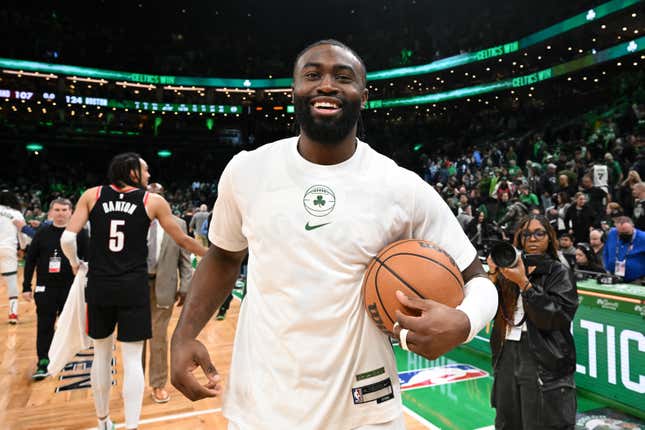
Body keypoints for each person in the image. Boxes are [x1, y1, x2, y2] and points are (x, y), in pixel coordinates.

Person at [170, 39, 498, 430]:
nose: (326, 85)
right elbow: (223, 256)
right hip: (262, 407)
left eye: (343, 77)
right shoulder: (247, 171)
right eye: (313, 75)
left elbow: (479, 279)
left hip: (366, 411)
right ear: (294, 89)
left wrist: (464, 321)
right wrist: (184, 334)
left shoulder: (402, 187)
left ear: (363, 95)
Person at [60, 153, 207, 430]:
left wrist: (75, 263)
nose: (149, 175)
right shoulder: (153, 201)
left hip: (100, 286)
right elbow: (183, 239)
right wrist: (212, 255)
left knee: (102, 355)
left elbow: (67, 238)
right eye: (145, 170)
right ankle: (132, 425)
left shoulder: (91, 195)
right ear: (132, 173)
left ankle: (103, 421)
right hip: (132, 287)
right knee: (131, 358)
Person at [487, 214, 578, 429]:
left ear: (550, 238)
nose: (533, 239)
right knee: (508, 421)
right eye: (527, 234)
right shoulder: (508, 269)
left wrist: (524, 284)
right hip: (506, 350)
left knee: (542, 422)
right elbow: (489, 309)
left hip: (542, 354)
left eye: (539, 233)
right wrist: (493, 274)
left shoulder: (559, 272)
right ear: (519, 239)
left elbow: (557, 317)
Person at [22, 198, 89, 380]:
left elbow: (89, 260)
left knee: (71, 324)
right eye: (57, 210)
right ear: (50, 212)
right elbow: (30, 261)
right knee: (44, 325)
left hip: (71, 288)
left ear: (71, 212)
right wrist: (26, 286)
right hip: (46, 288)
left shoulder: (80, 234)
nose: (60, 214)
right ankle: (43, 361)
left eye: (64, 210)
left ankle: (67, 355)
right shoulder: (42, 233)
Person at [145, 183, 193, 404]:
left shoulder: (178, 224)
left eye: (157, 196)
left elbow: (185, 259)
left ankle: (158, 384)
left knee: (158, 338)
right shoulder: (135, 221)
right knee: (134, 338)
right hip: (135, 287)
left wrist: (185, 286)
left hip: (165, 287)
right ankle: (135, 382)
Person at [0, 189, 27, 324]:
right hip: (8, 249)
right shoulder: (16, 214)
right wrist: (23, 247)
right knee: (11, 282)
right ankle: (13, 314)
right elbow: (23, 234)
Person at [602, 216, 645, 284]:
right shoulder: (612, 233)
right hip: (613, 277)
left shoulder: (643, 237)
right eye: (620, 232)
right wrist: (607, 267)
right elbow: (606, 251)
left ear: (633, 226)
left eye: (627, 232)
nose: (623, 234)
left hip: (635, 280)